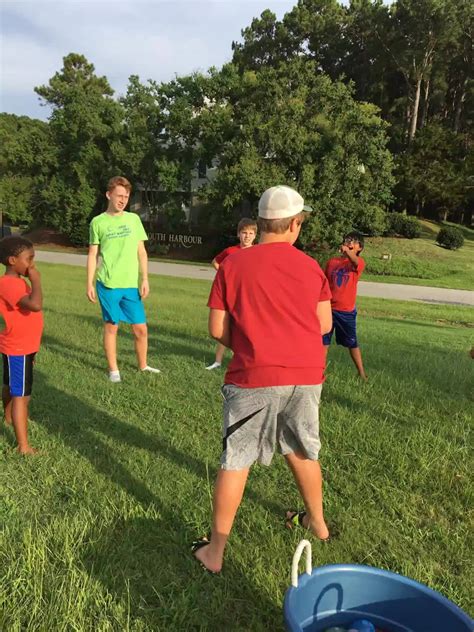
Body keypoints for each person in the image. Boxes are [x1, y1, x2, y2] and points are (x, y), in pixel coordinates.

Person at [193, 185, 333, 574]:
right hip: (306, 375)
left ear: (260, 223)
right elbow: (323, 325)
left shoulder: (234, 265)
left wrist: (252, 344)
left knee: (237, 459)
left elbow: (217, 328)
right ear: (296, 224)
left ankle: (215, 552)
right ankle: (317, 524)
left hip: (254, 376)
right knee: (302, 448)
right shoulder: (312, 267)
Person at [87, 176, 160, 382]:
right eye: (119, 195)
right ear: (109, 195)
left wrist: (145, 279)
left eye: (126, 196)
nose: (122, 200)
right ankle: (113, 370)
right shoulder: (98, 222)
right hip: (108, 284)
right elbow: (93, 255)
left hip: (130, 285)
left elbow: (142, 253)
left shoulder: (133, 220)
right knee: (112, 327)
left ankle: (143, 365)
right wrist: (89, 283)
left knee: (141, 328)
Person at [0, 236, 43, 455]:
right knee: (22, 396)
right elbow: (35, 305)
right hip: (17, 348)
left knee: (11, 386)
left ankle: (8, 417)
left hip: (23, 347)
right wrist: (36, 280)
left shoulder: (16, 281)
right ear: (12, 260)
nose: (32, 264)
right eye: (29, 259)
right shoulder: (8, 284)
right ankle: (23, 446)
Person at [205, 218, 257, 371]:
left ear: (255, 235)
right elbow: (215, 262)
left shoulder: (257, 252)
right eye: (244, 233)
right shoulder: (230, 251)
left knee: (247, 328)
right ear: (238, 234)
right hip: (231, 295)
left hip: (249, 296)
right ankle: (218, 361)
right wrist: (225, 276)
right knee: (225, 326)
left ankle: (247, 360)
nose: (247, 236)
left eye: (250, 233)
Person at [323, 231, 367, 380]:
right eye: (347, 240)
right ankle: (319, 370)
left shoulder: (357, 263)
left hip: (345, 311)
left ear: (359, 248)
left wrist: (348, 252)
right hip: (328, 308)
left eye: (353, 242)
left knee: (352, 342)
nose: (349, 243)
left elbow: (355, 261)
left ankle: (361, 373)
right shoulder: (332, 262)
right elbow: (325, 283)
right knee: (323, 340)